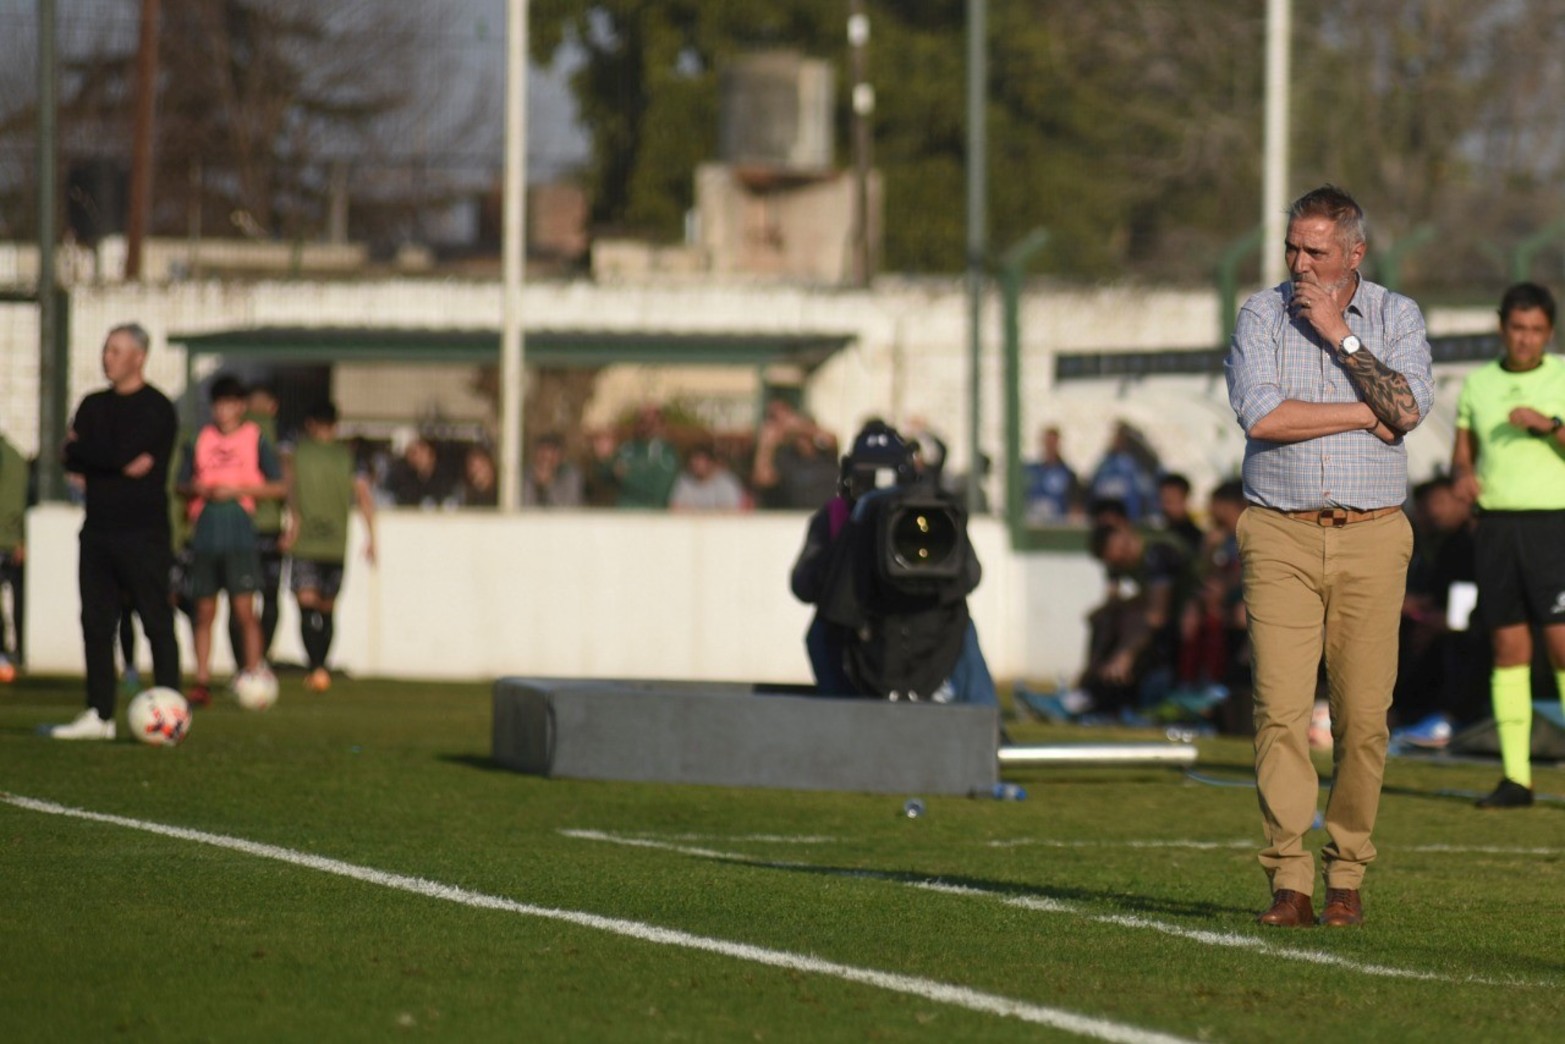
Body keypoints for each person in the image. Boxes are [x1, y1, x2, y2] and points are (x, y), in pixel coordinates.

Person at [1225, 185, 1433, 927]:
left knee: (1364, 717)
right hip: (1278, 532)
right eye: (1292, 247)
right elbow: (1264, 415)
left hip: (1373, 535)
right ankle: (1289, 878)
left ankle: (1346, 871)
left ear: (1353, 252)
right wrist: (1363, 410)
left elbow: (1408, 411)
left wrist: (1340, 334)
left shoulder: (1395, 316)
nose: (1299, 263)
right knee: (1278, 711)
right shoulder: (1258, 315)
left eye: (1315, 250)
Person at [1450, 281, 1565, 808]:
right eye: (1517, 328)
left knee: (1561, 647)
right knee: (1508, 649)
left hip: (1553, 525)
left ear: (1549, 332)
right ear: (1503, 328)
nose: (1525, 340)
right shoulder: (1477, 385)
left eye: (1536, 330)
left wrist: (1550, 426)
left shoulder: (1562, 377)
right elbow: (1462, 455)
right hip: (1496, 527)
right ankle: (1516, 778)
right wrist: (1463, 478)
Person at [790, 420, 997, 706]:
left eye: (885, 477)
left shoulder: (930, 512)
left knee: (961, 626)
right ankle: (840, 714)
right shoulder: (836, 517)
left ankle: (985, 730)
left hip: (930, 632)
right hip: (860, 631)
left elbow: (969, 575)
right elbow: (804, 585)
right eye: (868, 479)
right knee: (822, 633)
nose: (877, 488)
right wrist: (845, 556)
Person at [52, 322, 183, 739]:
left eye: (115, 351)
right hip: (98, 530)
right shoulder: (93, 404)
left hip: (143, 532)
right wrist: (104, 459)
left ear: (139, 357)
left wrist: (92, 455)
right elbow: (69, 455)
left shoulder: (157, 408)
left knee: (155, 619)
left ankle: (170, 707)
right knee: (96, 622)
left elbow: (110, 455)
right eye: (106, 350)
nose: (106, 358)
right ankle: (99, 713)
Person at [178, 374, 287, 706]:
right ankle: (202, 680)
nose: (223, 411)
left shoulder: (254, 438)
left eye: (229, 404)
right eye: (218, 404)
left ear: (240, 407)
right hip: (207, 528)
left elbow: (278, 485)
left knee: (244, 610)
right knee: (204, 609)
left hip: (238, 528)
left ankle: (252, 672)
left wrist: (238, 490)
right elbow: (180, 484)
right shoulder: (200, 438)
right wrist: (199, 489)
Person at [282, 401, 377, 693]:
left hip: (305, 542)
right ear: (336, 425)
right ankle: (320, 666)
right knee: (326, 609)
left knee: (307, 606)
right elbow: (364, 497)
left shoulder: (296, 453)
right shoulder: (349, 457)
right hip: (336, 543)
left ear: (310, 424)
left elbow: (288, 490)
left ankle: (315, 666)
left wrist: (292, 526)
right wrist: (372, 538)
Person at [229, 383, 284, 668]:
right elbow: (288, 482)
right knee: (270, 598)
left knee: (238, 599)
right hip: (270, 527)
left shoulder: (232, 432)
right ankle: (260, 660)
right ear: (273, 407)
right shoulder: (279, 437)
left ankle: (242, 664)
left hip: (237, 523)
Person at [753, 399, 840, 510]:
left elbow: (831, 439)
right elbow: (763, 480)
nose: (801, 441)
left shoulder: (826, 454)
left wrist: (798, 426)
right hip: (795, 520)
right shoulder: (785, 457)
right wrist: (766, 446)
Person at [610, 405, 680, 509]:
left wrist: (628, 476)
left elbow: (660, 488)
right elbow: (609, 472)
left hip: (652, 513)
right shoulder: (628, 448)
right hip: (624, 511)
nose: (647, 427)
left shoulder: (667, 453)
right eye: (642, 421)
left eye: (652, 422)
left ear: (661, 425)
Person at [1088, 421, 1158, 523]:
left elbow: (1148, 491)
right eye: (1116, 436)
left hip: (1133, 520)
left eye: (1122, 437)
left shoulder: (1140, 465)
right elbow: (1093, 488)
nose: (1117, 440)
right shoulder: (1105, 464)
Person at [0, 432, 28, 683]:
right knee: (17, 600)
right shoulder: (17, 456)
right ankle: (15, 651)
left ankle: (6, 652)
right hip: (12, 538)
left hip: (6, 538)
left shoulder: (8, 457)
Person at [1022, 425, 1081, 524]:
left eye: (1053, 442)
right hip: (1033, 526)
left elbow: (1075, 507)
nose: (1050, 446)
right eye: (1047, 442)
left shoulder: (1068, 474)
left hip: (1057, 527)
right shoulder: (1031, 472)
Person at [669, 442, 747, 512]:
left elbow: (732, 510)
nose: (697, 466)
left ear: (711, 463)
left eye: (701, 461)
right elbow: (675, 508)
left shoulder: (727, 482)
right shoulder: (685, 481)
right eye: (695, 462)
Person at [385, 435, 453, 508]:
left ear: (431, 454)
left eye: (421, 453)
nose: (418, 458)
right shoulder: (403, 479)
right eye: (413, 454)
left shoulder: (444, 478)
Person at [522, 433, 584, 507]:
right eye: (542, 455)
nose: (546, 460)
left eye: (552, 455)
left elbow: (568, 507)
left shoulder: (571, 476)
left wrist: (548, 485)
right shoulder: (526, 476)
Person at [1154, 473, 1205, 559]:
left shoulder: (1198, 539)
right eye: (1162, 501)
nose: (1165, 507)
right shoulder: (1157, 535)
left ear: (1185, 499)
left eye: (1170, 501)